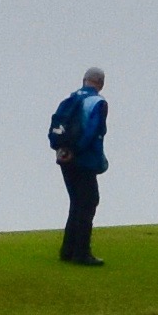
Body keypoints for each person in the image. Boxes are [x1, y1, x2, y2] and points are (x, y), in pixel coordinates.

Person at [46, 68, 110, 266]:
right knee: (89, 201)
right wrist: (79, 150)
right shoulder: (97, 102)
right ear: (101, 83)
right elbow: (93, 131)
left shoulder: (71, 99)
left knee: (76, 201)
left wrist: (65, 150)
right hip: (84, 159)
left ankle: (68, 249)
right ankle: (81, 252)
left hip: (64, 157)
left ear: (84, 80)